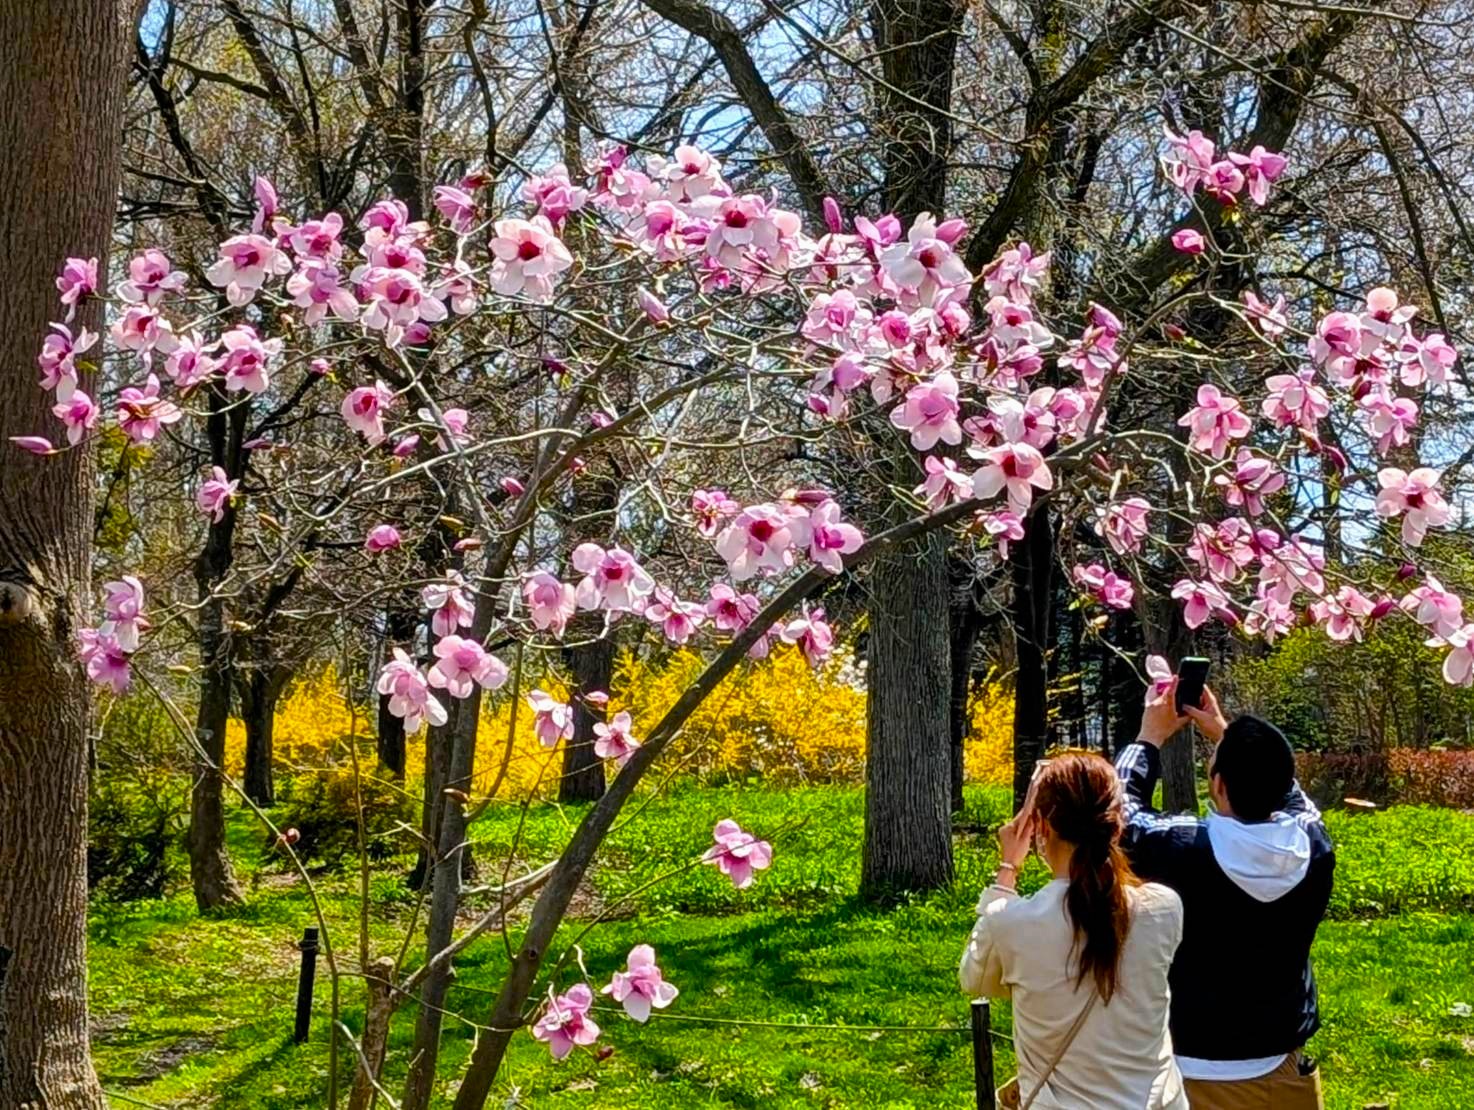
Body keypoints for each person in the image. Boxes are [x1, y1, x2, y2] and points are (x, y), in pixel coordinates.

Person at [1115, 680, 1335, 1110]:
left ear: (1217, 785)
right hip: (1283, 1071)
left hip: (1190, 1073)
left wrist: (1149, 737)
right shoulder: (1314, 847)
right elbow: (1296, 799)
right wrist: (1224, 732)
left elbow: (1121, 812)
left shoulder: (1182, 849)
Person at [960, 752, 1188, 1109]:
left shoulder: (1011, 923)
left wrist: (1008, 868)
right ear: (1117, 826)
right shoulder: (1164, 908)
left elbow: (976, 979)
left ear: (1042, 828)